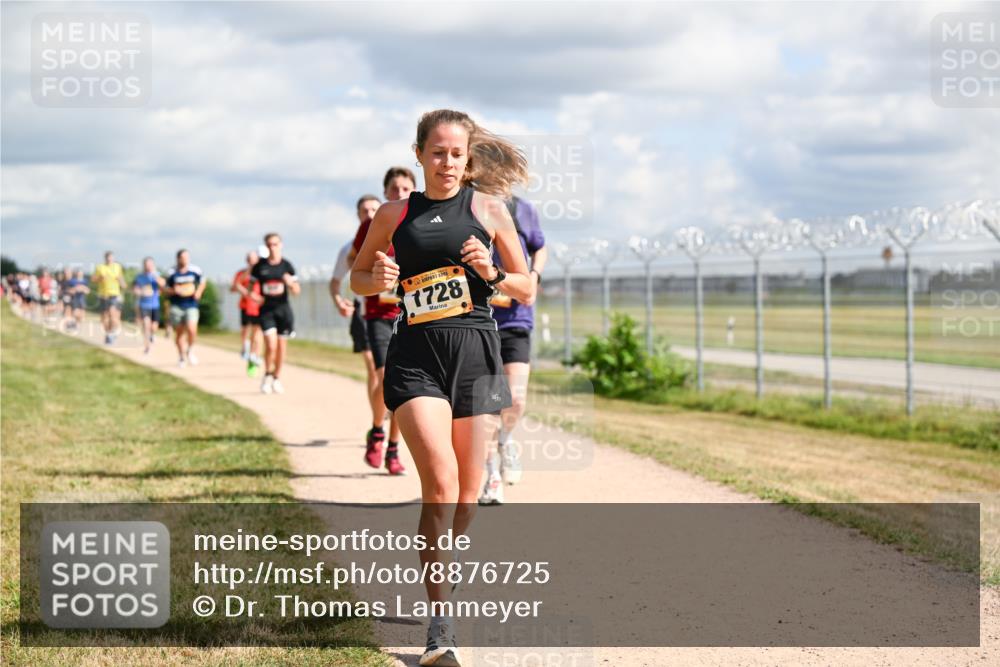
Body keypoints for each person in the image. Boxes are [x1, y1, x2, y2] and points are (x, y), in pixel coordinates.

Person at [351, 109, 532, 666]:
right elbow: (359, 277)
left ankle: (442, 563)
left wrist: (494, 275)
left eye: (457, 153)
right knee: (441, 484)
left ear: (469, 157)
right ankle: (439, 626)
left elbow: (526, 289)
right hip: (416, 358)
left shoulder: (489, 210)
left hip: (476, 356)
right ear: (420, 154)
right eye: (437, 152)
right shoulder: (394, 213)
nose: (447, 162)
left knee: (468, 492)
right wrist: (375, 280)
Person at [478, 196, 547, 505]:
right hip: (477, 320)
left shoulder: (521, 209)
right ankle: (491, 478)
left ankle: (506, 440)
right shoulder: (467, 205)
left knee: (515, 399)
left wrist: (533, 278)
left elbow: (539, 247)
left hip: (515, 318)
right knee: (487, 407)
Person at [348, 185, 409, 474]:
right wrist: (375, 271)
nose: (400, 192)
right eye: (394, 188)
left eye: (406, 187)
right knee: (384, 376)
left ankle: (393, 448)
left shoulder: (420, 220)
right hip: (376, 313)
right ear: (386, 190)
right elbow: (353, 261)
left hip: (409, 312)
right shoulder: (374, 224)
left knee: (402, 385)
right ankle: (377, 431)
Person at [330, 238, 381, 440]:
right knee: (373, 367)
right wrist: (338, 302)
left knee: (386, 371)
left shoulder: (398, 235)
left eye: (372, 209)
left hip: (392, 312)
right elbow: (335, 282)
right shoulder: (349, 248)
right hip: (364, 313)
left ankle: (382, 409)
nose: (369, 213)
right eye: (364, 211)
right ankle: (376, 415)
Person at [250, 233, 300, 394]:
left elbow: (297, 291)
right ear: (266, 246)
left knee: (281, 348)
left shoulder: (287, 266)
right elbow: (251, 287)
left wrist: (290, 283)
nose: (273, 247)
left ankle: (277, 377)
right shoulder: (260, 266)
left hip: (283, 311)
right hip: (267, 311)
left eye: (275, 244)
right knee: (270, 345)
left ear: (281, 245)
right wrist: (254, 296)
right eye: (269, 245)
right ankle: (267, 375)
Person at [165, 249, 205, 367]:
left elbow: (203, 282)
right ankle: (181, 356)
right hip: (177, 305)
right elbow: (166, 289)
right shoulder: (171, 272)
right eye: (183, 257)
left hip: (191, 304)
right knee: (180, 334)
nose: (185, 260)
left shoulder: (195, 270)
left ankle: (190, 350)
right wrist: (173, 290)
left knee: (192, 330)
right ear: (178, 259)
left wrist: (199, 292)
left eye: (187, 257)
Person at [231, 251, 264, 377]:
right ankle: (246, 348)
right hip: (245, 306)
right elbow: (234, 287)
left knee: (257, 334)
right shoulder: (241, 273)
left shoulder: (262, 272)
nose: (252, 262)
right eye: (249, 259)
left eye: (254, 259)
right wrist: (246, 292)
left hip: (259, 307)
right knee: (246, 331)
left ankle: (254, 356)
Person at [91, 251, 127, 344]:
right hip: (103, 295)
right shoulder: (100, 267)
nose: (109, 259)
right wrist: (100, 278)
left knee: (112, 314)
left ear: (113, 258)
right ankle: (109, 334)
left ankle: (113, 332)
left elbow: (121, 279)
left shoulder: (117, 267)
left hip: (114, 294)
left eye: (111, 257)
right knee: (104, 318)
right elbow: (93, 279)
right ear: (105, 258)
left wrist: (122, 284)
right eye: (108, 258)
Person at [133, 257, 165, 355]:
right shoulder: (139, 277)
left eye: (150, 264)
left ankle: (152, 334)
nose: (148, 266)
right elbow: (135, 289)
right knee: (146, 325)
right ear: (144, 265)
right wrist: (140, 292)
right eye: (146, 264)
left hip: (155, 305)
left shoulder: (157, 275)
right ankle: (147, 347)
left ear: (153, 265)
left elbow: (163, 284)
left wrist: (155, 276)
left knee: (154, 326)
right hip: (144, 304)